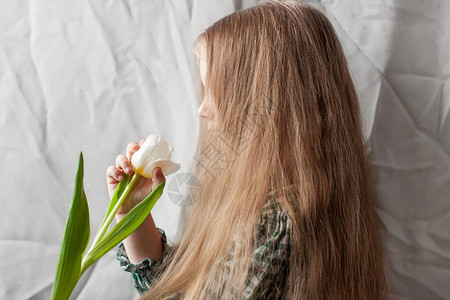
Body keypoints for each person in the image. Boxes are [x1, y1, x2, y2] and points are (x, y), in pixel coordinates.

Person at [107, 0, 389, 299]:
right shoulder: (276, 205)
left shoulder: (279, 221)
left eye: (214, 88)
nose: (202, 109)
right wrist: (133, 214)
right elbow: (183, 284)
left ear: (262, 97)